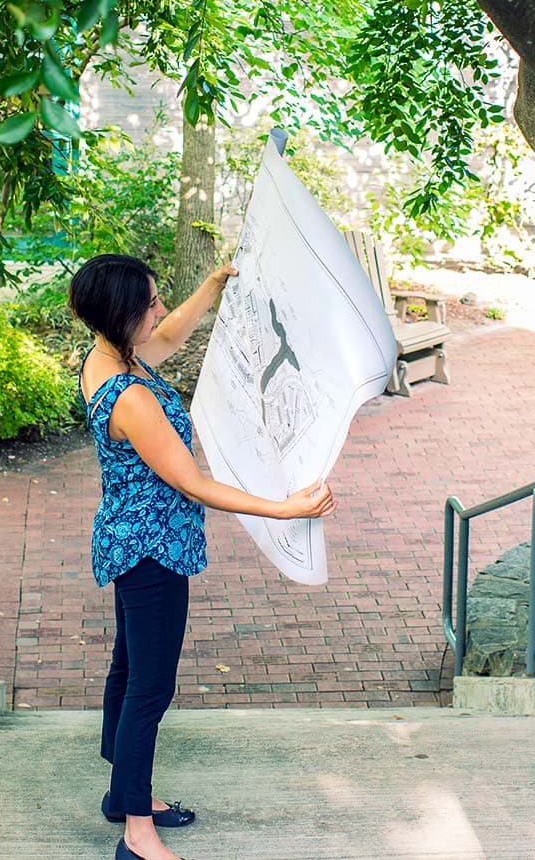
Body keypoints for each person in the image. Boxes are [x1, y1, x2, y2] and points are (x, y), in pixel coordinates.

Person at [68, 253, 336, 860]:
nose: (160, 310)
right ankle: (138, 834)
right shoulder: (131, 398)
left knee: (129, 669)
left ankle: (122, 793)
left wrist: (211, 287)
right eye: (150, 302)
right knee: (149, 690)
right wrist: (285, 509)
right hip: (152, 550)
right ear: (120, 315)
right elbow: (192, 483)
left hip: (128, 538)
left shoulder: (107, 356)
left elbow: (167, 336)